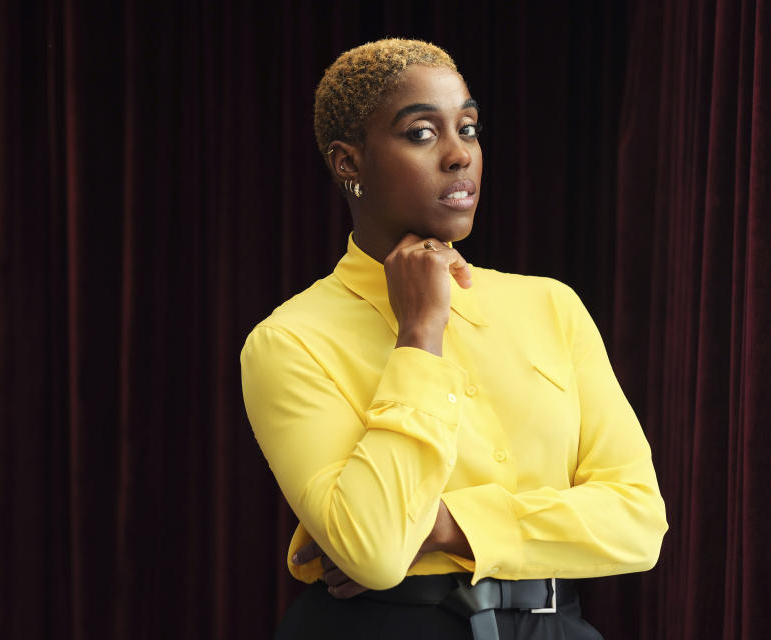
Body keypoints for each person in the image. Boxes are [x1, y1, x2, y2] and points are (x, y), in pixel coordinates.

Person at [240, 39, 667, 640]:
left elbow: (639, 524)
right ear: (348, 163)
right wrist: (420, 333)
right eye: (420, 133)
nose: (458, 155)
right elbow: (376, 553)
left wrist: (442, 527)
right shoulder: (289, 342)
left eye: (468, 128)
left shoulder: (551, 305)